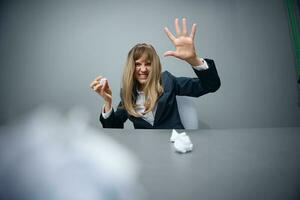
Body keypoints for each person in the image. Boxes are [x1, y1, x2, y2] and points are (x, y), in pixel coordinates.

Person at [90, 18, 221, 129]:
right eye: (137, 64)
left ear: (155, 65)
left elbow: (211, 85)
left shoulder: (168, 81)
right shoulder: (127, 94)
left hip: (174, 146)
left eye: (148, 63)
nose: (143, 69)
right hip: (145, 150)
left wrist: (194, 60)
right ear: (131, 67)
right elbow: (114, 127)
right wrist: (108, 102)